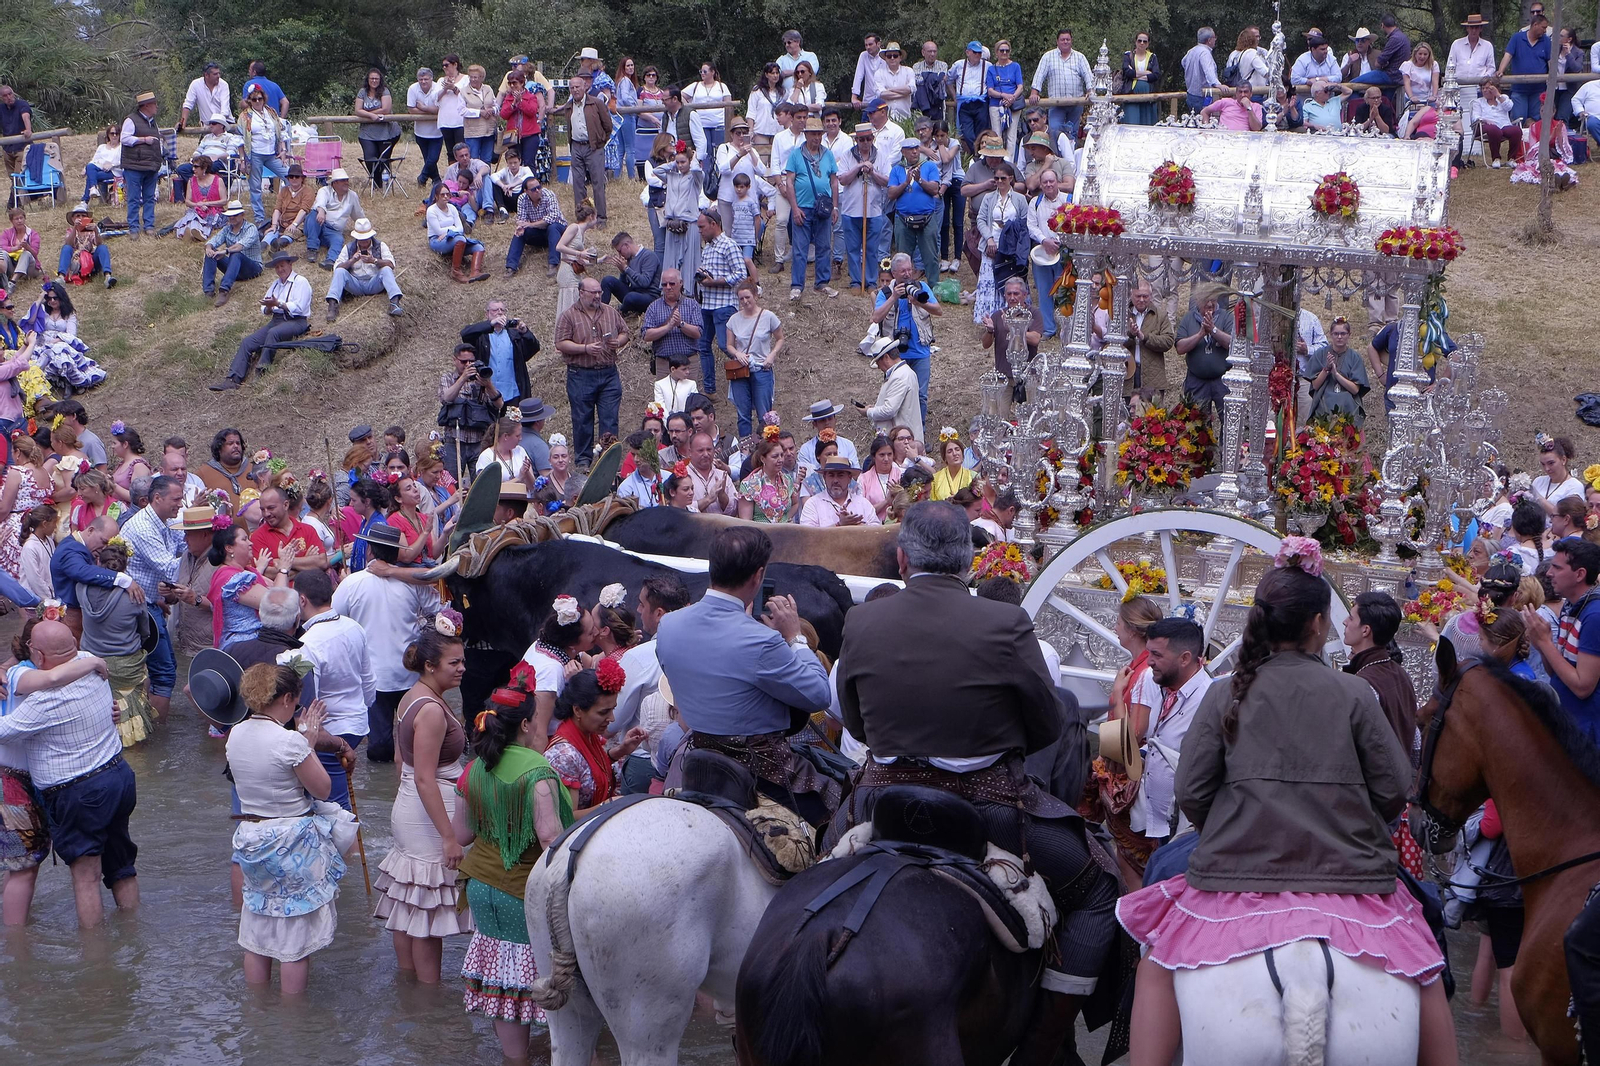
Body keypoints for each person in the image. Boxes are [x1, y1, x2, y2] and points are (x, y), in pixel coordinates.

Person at [1118, 552, 1454, 1066]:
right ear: (1318, 624)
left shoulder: (1225, 693)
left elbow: (1193, 792)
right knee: (1426, 956)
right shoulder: (1354, 693)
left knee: (1155, 963)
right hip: (1352, 872)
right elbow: (1393, 791)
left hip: (1234, 866)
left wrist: (1231, 827)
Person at [656, 526, 833, 822]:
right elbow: (819, 694)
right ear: (758, 576)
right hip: (761, 772)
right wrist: (795, 637)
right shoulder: (763, 641)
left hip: (696, 762)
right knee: (838, 805)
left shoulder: (668, 625)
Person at [454, 680, 573, 1059]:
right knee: (542, 974)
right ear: (525, 724)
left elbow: (461, 834)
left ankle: (514, 1057)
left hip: (480, 888)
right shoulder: (538, 771)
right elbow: (550, 838)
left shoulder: (474, 768)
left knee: (503, 976)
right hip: (522, 890)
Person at [0, 619, 139, 928]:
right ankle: (133, 930)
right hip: (119, 776)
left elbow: (4, 732)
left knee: (87, 877)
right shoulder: (92, 664)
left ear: (37, 655)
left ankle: (95, 952)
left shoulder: (44, 700)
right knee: (122, 865)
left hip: (81, 793)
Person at [225, 663, 345, 993]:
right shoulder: (289, 741)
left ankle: (258, 1007)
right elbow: (323, 789)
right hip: (289, 841)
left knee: (257, 927)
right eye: (296, 702)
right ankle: (293, 1015)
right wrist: (308, 740)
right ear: (287, 698)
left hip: (250, 836)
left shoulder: (236, 734)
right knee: (294, 939)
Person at [367, 623, 472, 982]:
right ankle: (427, 994)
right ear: (430, 665)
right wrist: (449, 837)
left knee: (410, 900)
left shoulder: (411, 697)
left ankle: (409, 988)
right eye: (454, 663)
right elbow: (426, 777)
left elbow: (402, 764)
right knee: (426, 908)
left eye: (462, 661)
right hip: (428, 814)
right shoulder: (431, 710)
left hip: (410, 805)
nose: (462, 669)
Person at [332, 525, 441, 763]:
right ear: (397, 553)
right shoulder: (412, 583)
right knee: (413, 744)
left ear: (370, 550)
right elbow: (441, 608)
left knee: (380, 749)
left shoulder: (352, 583)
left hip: (375, 676)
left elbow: (333, 619)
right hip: (407, 673)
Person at [74, 538, 154, 747]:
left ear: (98, 563)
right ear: (124, 569)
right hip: (128, 665)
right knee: (136, 712)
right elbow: (145, 631)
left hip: (91, 664)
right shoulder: (135, 595)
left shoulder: (81, 588)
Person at [1523, 537, 1600, 741]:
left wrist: (1545, 643)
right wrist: (1542, 643)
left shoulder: (1594, 616)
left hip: (1586, 734)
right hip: (1567, 723)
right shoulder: (1570, 605)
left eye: (1557, 568)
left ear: (1580, 574)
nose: (1549, 573)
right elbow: (1557, 672)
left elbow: (1583, 687)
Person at [543, 663, 645, 815]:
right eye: (603, 712)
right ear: (578, 710)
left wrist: (620, 751)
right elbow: (567, 818)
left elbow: (588, 770)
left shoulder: (587, 735)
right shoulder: (564, 756)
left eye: (612, 709)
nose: (612, 718)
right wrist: (608, 805)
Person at [554, 277, 628, 468]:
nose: (597, 295)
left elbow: (625, 332)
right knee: (582, 420)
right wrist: (584, 348)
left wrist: (618, 342)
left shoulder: (610, 311)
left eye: (599, 292)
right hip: (580, 375)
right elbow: (560, 343)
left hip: (609, 373)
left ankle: (608, 462)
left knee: (610, 419)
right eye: (593, 292)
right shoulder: (568, 315)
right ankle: (583, 463)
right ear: (581, 293)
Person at [209, 252, 311, 390]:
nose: (280, 269)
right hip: (276, 320)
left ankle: (261, 372)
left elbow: (299, 308)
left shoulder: (301, 282)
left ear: (290, 264)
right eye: (277, 267)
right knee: (247, 342)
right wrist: (269, 307)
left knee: (273, 333)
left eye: (282, 266)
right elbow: (264, 308)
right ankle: (233, 379)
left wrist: (278, 304)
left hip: (296, 321)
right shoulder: (275, 284)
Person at [1342, 590, 1416, 752]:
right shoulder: (1401, 674)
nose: (1344, 622)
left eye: (1351, 618)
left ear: (1365, 630)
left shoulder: (1364, 685)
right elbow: (1416, 743)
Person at [784, 117, 841, 302]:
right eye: (813, 134)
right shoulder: (796, 155)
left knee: (824, 246)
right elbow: (789, 182)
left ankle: (822, 283)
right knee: (800, 248)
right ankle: (797, 285)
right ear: (806, 135)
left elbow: (834, 181)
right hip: (803, 207)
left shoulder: (828, 155)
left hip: (823, 207)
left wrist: (835, 206)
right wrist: (794, 208)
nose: (816, 137)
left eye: (819, 134)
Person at [724, 281, 783, 439]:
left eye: (747, 297)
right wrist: (737, 354)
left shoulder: (768, 316)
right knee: (743, 414)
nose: (745, 301)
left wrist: (772, 354)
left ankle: (769, 444)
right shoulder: (733, 320)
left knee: (765, 414)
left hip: (762, 369)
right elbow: (729, 345)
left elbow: (780, 338)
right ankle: (746, 446)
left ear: (755, 296)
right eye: (741, 298)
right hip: (740, 370)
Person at [554, 72, 612, 221]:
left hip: (594, 147)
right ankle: (583, 216)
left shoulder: (596, 103)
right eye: (572, 87)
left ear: (584, 87)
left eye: (577, 87)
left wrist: (600, 141)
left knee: (598, 183)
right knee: (578, 184)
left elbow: (608, 126)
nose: (575, 90)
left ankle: (601, 217)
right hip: (576, 147)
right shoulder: (569, 106)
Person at [460, 300, 538, 407]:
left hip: (512, 393)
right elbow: (465, 334)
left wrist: (525, 332)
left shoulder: (514, 335)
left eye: (502, 310)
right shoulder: (480, 336)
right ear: (487, 314)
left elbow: (534, 348)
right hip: (486, 392)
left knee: (513, 418)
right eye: (495, 310)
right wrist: (490, 324)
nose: (499, 312)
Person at [323, 218, 402, 322]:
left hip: (374, 282)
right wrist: (352, 261)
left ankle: (394, 303)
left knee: (386, 269)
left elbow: (391, 264)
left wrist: (374, 260)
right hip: (355, 284)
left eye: (366, 239)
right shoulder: (348, 248)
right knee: (340, 272)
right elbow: (337, 267)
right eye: (361, 240)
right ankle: (332, 305)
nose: (364, 242)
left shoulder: (380, 245)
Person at [889, 140, 942, 283]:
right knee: (902, 258)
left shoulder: (929, 166)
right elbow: (891, 194)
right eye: (910, 149)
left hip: (927, 217)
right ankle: (903, 288)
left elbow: (935, 189)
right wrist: (905, 183)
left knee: (931, 256)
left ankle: (933, 288)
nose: (914, 152)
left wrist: (920, 180)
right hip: (903, 219)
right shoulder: (897, 169)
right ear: (903, 152)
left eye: (916, 148)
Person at [1028, 29, 1094, 143]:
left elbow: (1088, 76)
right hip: (1056, 104)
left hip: (1075, 103)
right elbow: (1039, 75)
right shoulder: (1048, 57)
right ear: (1057, 41)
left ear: (1071, 41)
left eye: (1068, 39)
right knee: (1054, 132)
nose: (1065, 42)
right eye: (1062, 39)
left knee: (1072, 134)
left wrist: (1090, 90)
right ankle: (1056, 154)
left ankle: (1071, 154)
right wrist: (1034, 93)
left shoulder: (1080, 57)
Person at [1303, 316, 1371, 425]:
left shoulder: (1355, 357)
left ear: (1349, 335)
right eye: (1336, 334)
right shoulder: (1320, 354)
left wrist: (1336, 374)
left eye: (1343, 334)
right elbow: (1315, 386)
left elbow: (1355, 390)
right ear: (1331, 334)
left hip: (1348, 407)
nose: (1339, 337)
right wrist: (1326, 369)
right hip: (1324, 406)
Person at [239, 85, 289, 230]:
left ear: (264, 99)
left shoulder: (271, 112)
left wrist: (283, 150)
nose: (257, 101)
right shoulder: (245, 116)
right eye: (254, 99)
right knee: (255, 187)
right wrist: (242, 160)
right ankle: (259, 219)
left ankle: (289, 209)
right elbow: (240, 140)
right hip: (254, 154)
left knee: (289, 176)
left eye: (260, 98)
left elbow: (281, 131)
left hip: (272, 154)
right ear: (249, 100)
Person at [1175, 295, 1234, 413]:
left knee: (1229, 418)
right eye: (1205, 300)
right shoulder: (1188, 318)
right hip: (1196, 380)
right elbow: (1180, 348)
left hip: (1223, 379)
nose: (1210, 304)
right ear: (1197, 300)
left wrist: (1213, 330)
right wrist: (1200, 335)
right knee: (1197, 420)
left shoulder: (1226, 316)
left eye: (1213, 300)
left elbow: (1232, 344)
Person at [200, 201, 262, 307]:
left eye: (235, 215)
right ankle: (208, 291)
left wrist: (225, 251)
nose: (232, 218)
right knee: (211, 254)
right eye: (230, 216)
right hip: (235, 267)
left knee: (236, 254)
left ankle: (224, 290)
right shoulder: (227, 229)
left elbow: (240, 246)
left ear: (243, 215)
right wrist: (209, 248)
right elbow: (212, 241)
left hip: (253, 268)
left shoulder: (251, 228)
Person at [118, 91, 162, 239]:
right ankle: (134, 227)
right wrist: (143, 140)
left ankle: (149, 225)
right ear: (146, 106)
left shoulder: (153, 122)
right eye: (154, 104)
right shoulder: (131, 120)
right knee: (134, 198)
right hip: (134, 166)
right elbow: (124, 139)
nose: (156, 106)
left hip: (151, 165)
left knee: (150, 197)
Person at [425, 185, 487, 284]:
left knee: (478, 247)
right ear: (436, 196)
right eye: (442, 194)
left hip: (453, 237)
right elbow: (438, 231)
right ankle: (456, 272)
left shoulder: (452, 208)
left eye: (447, 194)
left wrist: (448, 232)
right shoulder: (431, 210)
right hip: (437, 240)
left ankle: (475, 272)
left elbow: (460, 228)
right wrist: (453, 230)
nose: (445, 196)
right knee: (460, 239)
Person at [1498, 13, 1551, 121]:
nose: (1545, 31)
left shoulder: (1546, 41)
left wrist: (1553, 76)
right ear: (1535, 25)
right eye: (1543, 27)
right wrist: (1500, 71)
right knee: (1519, 120)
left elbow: (1550, 61)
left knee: (1537, 120)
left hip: (1538, 90)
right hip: (1519, 89)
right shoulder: (1517, 38)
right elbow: (1508, 55)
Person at [799, 459, 880, 528]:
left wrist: (857, 526)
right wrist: (839, 525)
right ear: (824, 478)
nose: (835, 480)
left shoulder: (864, 504)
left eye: (840, 475)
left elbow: (877, 533)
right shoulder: (813, 504)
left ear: (849, 478)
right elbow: (808, 536)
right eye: (831, 475)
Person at [736, 439, 799, 523]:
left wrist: (785, 520)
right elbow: (746, 522)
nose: (780, 460)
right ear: (763, 459)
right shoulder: (748, 484)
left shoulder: (787, 480)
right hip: (759, 531)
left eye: (781, 455)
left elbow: (795, 503)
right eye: (775, 456)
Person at [599, 231, 661, 315]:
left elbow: (645, 282)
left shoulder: (649, 256)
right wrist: (622, 272)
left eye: (620, 251)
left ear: (626, 245)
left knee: (631, 297)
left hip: (649, 297)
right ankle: (601, 311)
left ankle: (619, 312)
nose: (620, 255)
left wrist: (626, 268)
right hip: (633, 293)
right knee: (607, 280)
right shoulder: (629, 259)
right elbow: (624, 284)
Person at [57, 203, 116, 289]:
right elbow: (69, 243)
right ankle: (61, 278)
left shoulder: (91, 232)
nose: (81, 218)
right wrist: (75, 228)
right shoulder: (70, 231)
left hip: (91, 263)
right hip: (75, 264)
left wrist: (96, 230)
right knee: (66, 248)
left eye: (83, 216)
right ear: (73, 219)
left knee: (103, 248)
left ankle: (108, 276)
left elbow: (99, 243)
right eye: (78, 216)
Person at [262, 162, 316, 251]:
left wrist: (294, 224)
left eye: (297, 176)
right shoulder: (284, 190)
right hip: (282, 222)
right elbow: (277, 209)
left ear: (302, 178)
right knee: (267, 238)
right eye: (291, 177)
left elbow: (304, 210)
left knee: (284, 239)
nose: (294, 179)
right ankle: (264, 246)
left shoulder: (308, 191)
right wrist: (274, 225)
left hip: (299, 223)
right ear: (288, 179)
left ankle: (279, 244)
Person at [406, 68, 445, 187]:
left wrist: (423, 108)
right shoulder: (413, 88)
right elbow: (411, 109)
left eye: (426, 79)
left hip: (437, 132)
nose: (423, 81)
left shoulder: (438, 88)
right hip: (420, 132)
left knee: (433, 159)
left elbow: (441, 109)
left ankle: (422, 178)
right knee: (428, 159)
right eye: (421, 79)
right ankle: (436, 180)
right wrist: (431, 111)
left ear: (431, 79)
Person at [1473, 79, 1523, 168]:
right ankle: (1496, 158)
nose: (1484, 90)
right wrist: (1485, 120)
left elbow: (1509, 107)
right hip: (1484, 126)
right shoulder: (1478, 102)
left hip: (1504, 125)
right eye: (1483, 88)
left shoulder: (1503, 98)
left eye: (1487, 88)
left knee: (1516, 130)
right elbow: (1475, 117)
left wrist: (1498, 95)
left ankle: (1512, 159)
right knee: (1494, 129)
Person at [1533, 435, 1585, 517]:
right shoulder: (1538, 481)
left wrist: (1538, 498)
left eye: (1551, 463)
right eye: (1543, 464)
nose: (1547, 468)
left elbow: (1567, 517)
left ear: (1563, 460)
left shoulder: (1574, 486)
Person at [1182, 29, 1222, 113]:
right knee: (1205, 119)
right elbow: (1209, 71)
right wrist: (1217, 84)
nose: (1215, 40)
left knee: (1194, 119)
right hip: (1202, 96)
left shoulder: (1192, 51)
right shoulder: (1205, 53)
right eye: (1214, 37)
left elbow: (1183, 62)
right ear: (1209, 40)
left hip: (1190, 94)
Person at [0, 208, 40, 291]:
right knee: (3, 253)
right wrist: (14, 248)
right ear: (12, 221)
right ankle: (3, 277)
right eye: (16, 219)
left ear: (25, 218)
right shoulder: (7, 233)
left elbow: (35, 254)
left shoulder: (33, 234)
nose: (19, 221)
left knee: (26, 254)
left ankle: (12, 282)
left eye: (21, 218)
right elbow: (2, 247)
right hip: (13, 265)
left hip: (30, 268)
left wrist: (28, 247)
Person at [929, 434, 975, 502]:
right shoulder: (935, 479)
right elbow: (931, 504)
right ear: (945, 457)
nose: (955, 453)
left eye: (957, 450)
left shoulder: (973, 476)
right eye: (949, 451)